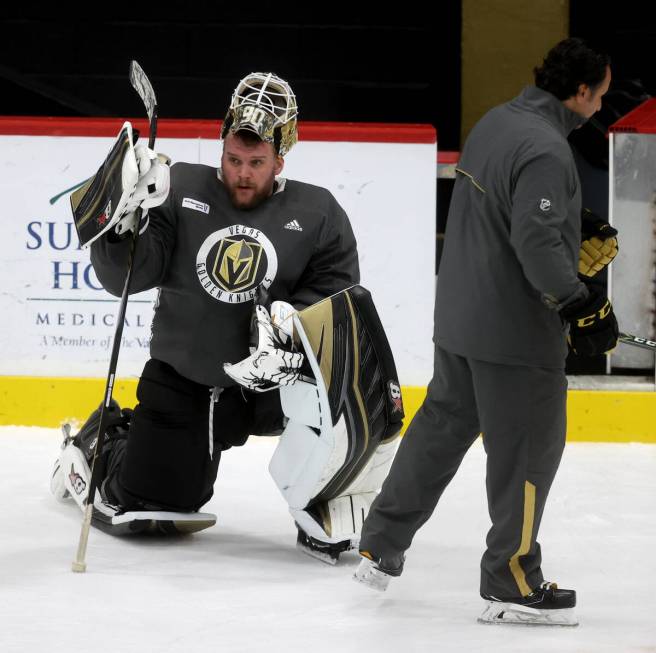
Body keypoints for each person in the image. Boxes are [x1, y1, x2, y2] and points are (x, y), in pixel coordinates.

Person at [353, 38, 618, 626]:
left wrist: (572, 222)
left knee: (440, 432)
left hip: (460, 321)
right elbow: (535, 242)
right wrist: (581, 304)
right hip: (514, 337)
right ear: (579, 93)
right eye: (600, 94)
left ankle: (379, 544)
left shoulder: (498, 121)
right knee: (527, 453)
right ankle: (512, 580)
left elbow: (511, 210)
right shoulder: (548, 149)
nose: (601, 105)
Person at [50, 72, 365, 544]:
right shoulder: (177, 187)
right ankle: (100, 439)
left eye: (256, 162)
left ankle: (327, 503)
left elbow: (336, 294)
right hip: (186, 381)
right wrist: (119, 226)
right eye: (233, 159)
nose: (242, 173)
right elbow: (130, 277)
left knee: (350, 390)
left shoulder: (319, 213)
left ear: (280, 159)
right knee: (157, 509)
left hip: (269, 388)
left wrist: (288, 323)